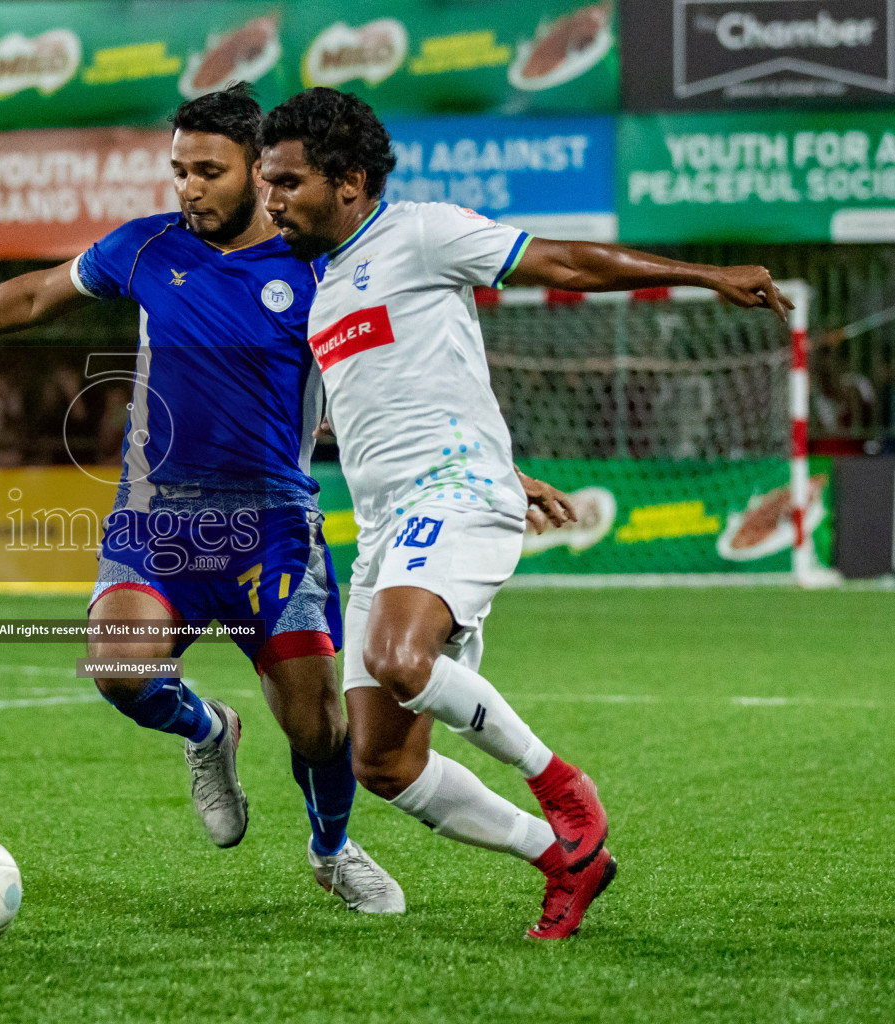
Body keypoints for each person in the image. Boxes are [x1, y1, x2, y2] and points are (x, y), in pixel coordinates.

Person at [0, 85, 422, 915]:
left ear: (260, 171)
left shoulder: (317, 263)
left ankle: (331, 851)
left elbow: (393, 374)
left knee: (320, 728)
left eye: (207, 171)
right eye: (178, 169)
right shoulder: (146, 249)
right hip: (159, 518)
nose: (187, 187)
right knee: (118, 669)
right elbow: (35, 294)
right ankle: (208, 731)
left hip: (273, 525)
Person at [257, 87, 793, 939]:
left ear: (350, 180)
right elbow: (420, 391)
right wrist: (516, 464)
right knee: (383, 762)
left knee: (397, 656)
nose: (270, 199)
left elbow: (570, 264)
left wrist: (704, 276)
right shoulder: (317, 288)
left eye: (286, 181)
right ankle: (564, 859)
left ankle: (560, 784)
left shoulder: (421, 233)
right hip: (389, 524)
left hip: (455, 498)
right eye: (264, 182)